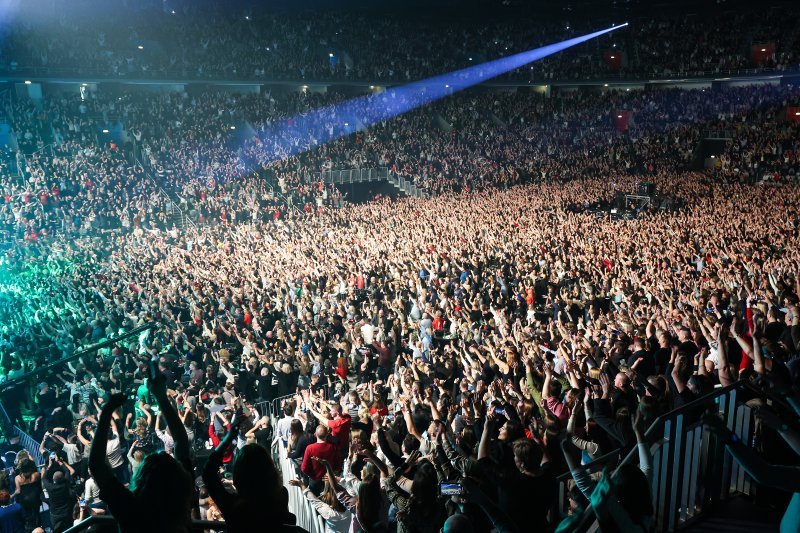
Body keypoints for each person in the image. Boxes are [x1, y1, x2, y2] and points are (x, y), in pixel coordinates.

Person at [88, 366, 194, 533]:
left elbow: (96, 465)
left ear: (141, 476)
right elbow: (181, 441)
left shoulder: (130, 507)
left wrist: (107, 411)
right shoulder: (182, 492)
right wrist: (161, 397)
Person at [202, 424, 308, 532]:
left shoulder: (232, 506)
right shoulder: (281, 495)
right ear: (270, 471)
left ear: (239, 474)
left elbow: (208, 473)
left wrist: (228, 437)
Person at [12, 457, 41, 532]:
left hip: (24, 500)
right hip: (35, 498)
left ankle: (30, 529)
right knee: (36, 513)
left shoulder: (17, 478)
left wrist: (11, 495)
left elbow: (18, 491)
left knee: (27, 516)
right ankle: (38, 528)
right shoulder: (36, 475)